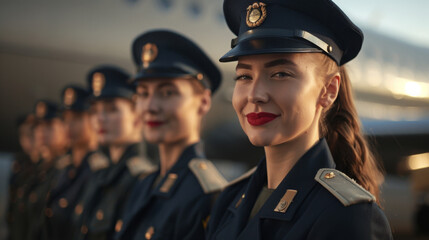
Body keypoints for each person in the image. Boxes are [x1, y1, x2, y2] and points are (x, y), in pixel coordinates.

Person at [206, 0, 393, 239]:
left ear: (328, 90)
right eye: (244, 76)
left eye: (280, 74)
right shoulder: (228, 200)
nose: (255, 94)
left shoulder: (349, 217)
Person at [115, 30, 227, 240]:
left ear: (203, 101)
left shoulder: (206, 196)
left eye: (168, 93)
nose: (150, 106)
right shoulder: (145, 183)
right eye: (143, 93)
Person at [72, 65, 154, 240]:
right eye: (95, 111)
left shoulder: (143, 179)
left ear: (138, 115)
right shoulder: (100, 172)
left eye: (112, 109)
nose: (100, 119)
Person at [43, 85, 101, 240]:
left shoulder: (99, 171)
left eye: (77, 118)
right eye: (65, 119)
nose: (68, 126)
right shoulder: (65, 168)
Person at [27, 100, 70, 240]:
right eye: (39, 126)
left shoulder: (67, 172)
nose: (42, 132)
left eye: (49, 126)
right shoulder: (40, 170)